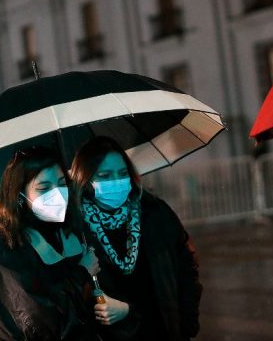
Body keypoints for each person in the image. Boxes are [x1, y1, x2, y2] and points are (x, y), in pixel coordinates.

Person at [69, 136, 202, 341]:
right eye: (105, 175)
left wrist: (186, 323)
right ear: (85, 180)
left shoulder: (154, 212)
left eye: (122, 173)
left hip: (164, 330)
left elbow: (187, 266)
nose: (116, 181)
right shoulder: (75, 229)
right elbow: (72, 298)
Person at [0, 146, 100, 341]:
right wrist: (82, 272)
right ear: (19, 194)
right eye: (44, 188)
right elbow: (40, 322)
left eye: (62, 183)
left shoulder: (70, 232)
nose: (57, 194)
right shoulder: (5, 247)